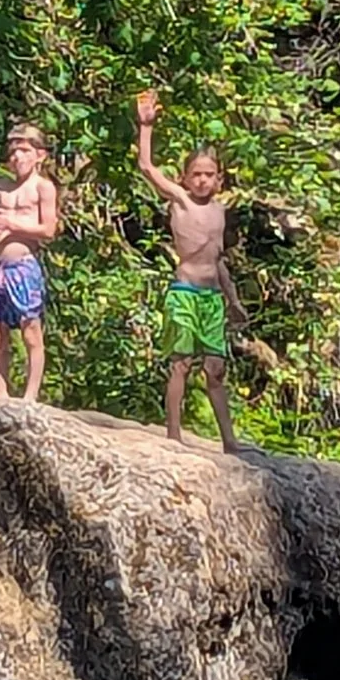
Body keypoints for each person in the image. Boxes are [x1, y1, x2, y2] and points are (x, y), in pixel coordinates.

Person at [134, 92, 249, 449]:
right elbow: (146, 168)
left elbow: (218, 259)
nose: (201, 180)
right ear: (184, 178)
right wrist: (146, 126)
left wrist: (233, 301)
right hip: (184, 293)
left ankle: (229, 439)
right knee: (181, 363)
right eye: (195, 174)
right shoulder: (180, 201)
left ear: (219, 179)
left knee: (216, 369)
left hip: (212, 297)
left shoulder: (219, 211)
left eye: (208, 175)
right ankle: (173, 434)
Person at [0, 122, 59, 402]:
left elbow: (48, 230)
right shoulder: (1, 187)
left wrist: (12, 223)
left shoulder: (43, 188)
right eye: (13, 152)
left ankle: (30, 395)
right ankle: (1, 393)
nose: (17, 157)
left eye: (24, 150)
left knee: (31, 330)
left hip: (23, 266)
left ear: (39, 155)